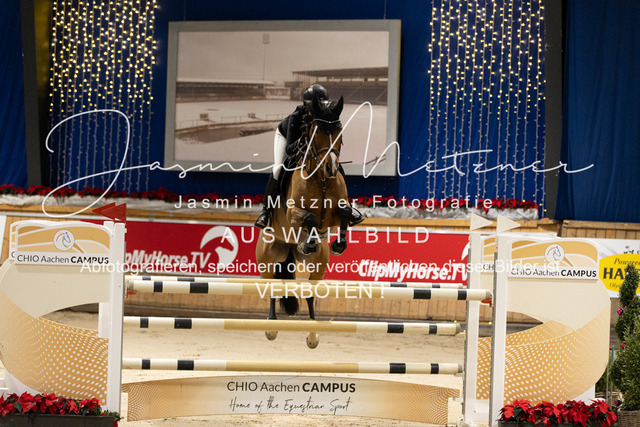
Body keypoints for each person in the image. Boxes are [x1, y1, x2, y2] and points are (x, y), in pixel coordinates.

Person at [254, 84, 364, 229]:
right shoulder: (296, 118)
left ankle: (347, 206)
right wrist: (301, 142)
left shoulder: (324, 117)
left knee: (334, 164)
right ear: (307, 105)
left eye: (323, 104)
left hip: (310, 147)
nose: (320, 108)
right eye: (316, 105)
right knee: (278, 169)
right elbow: (289, 149)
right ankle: (266, 212)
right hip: (287, 138)